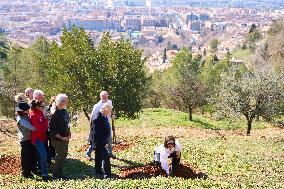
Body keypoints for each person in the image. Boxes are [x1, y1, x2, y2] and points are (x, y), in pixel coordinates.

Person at [86, 91, 116, 160]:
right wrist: (91, 128)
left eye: (107, 96)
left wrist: (112, 115)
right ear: (101, 97)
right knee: (96, 140)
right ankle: (88, 153)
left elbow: (110, 110)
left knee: (109, 138)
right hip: (99, 125)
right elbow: (92, 117)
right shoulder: (97, 106)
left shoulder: (109, 102)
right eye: (104, 97)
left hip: (107, 122)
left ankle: (110, 153)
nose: (106, 98)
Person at [48, 94, 71, 180]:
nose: (67, 102)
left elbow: (67, 123)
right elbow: (51, 129)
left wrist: (69, 132)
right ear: (61, 102)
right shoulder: (54, 113)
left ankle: (60, 173)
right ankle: (55, 175)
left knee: (63, 156)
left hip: (65, 138)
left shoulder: (64, 111)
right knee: (59, 157)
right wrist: (61, 137)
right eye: (66, 101)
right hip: (58, 140)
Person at [15, 100, 36, 178]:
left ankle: (30, 170)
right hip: (25, 140)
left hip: (29, 139)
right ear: (23, 111)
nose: (28, 110)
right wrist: (39, 128)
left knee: (30, 156)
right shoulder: (21, 119)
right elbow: (31, 128)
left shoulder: (25, 116)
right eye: (27, 109)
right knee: (26, 157)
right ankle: (26, 173)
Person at [30, 100, 49, 181]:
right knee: (43, 155)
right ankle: (44, 174)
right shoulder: (34, 115)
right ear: (37, 107)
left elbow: (45, 121)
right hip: (36, 139)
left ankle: (41, 170)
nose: (44, 108)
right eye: (42, 106)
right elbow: (40, 129)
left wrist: (45, 124)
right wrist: (45, 125)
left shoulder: (40, 113)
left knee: (40, 155)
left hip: (41, 138)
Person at [94, 102, 112, 179]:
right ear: (105, 108)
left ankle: (98, 171)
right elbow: (97, 132)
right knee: (106, 157)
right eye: (109, 110)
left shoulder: (104, 116)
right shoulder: (98, 117)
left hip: (103, 140)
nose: (109, 112)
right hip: (100, 141)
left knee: (98, 156)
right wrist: (104, 142)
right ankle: (107, 175)